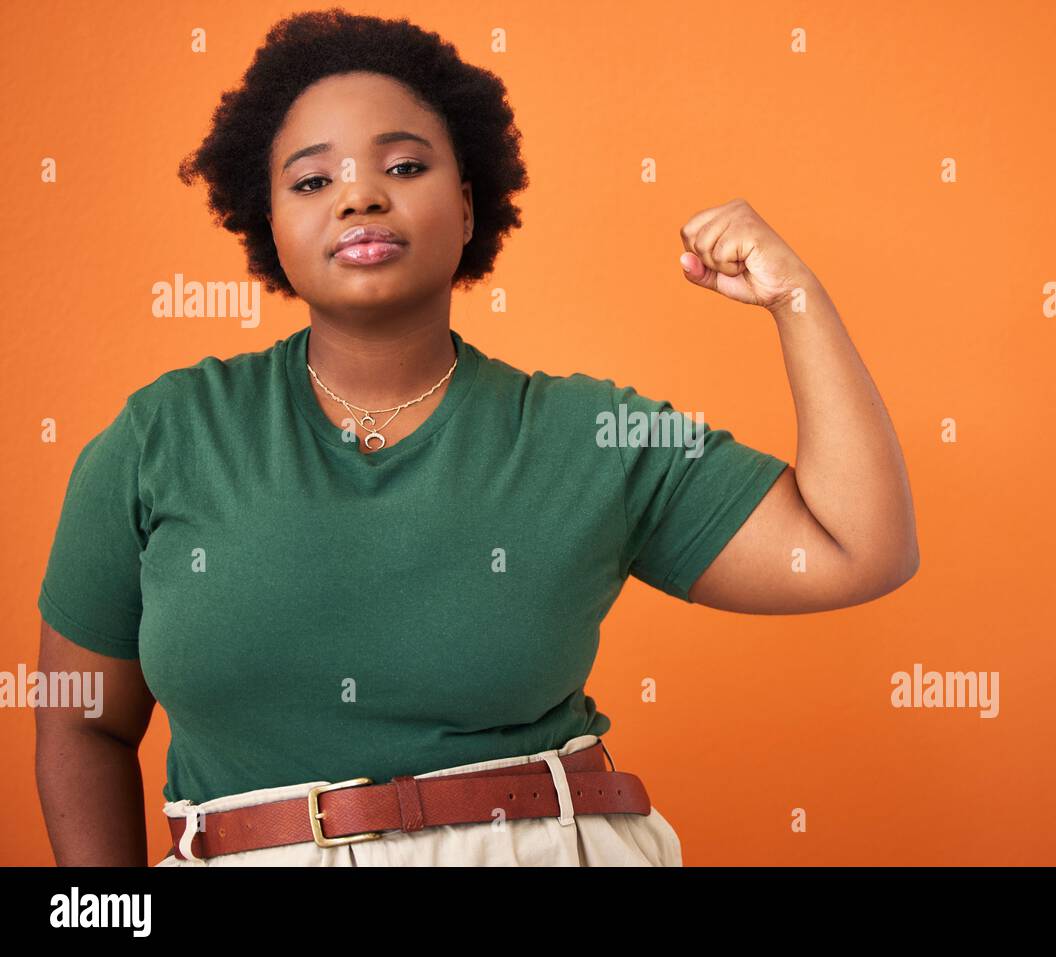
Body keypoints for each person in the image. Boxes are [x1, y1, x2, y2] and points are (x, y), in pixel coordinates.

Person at [34, 8, 920, 867]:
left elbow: (856, 547)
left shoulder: (591, 436)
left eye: (405, 165)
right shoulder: (164, 436)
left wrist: (796, 298)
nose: (361, 195)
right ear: (268, 223)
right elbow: (81, 724)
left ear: (466, 208)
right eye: (312, 181)